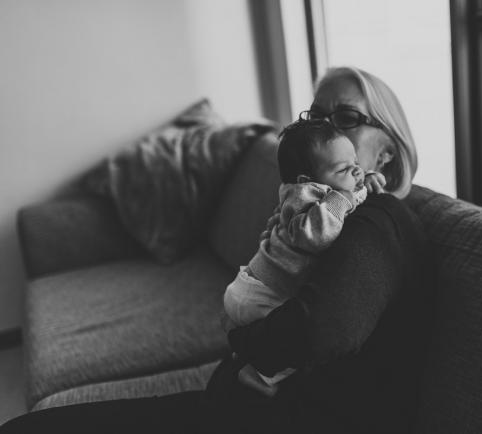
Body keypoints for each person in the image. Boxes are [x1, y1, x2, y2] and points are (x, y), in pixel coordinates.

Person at [0, 66, 430, 434]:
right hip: (232, 413)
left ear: (388, 153)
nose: (329, 130)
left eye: (347, 117)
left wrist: (241, 341)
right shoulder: (319, 206)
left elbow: (320, 331)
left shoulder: (380, 218)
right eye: (317, 116)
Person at [223, 118, 379, 393]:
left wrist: (365, 183)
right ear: (308, 180)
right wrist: (344, 197)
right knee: (304, 338)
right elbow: (316, 235)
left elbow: (351, 198)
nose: (356, 170)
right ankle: (262, 375)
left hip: (251, 287)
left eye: (355, 161)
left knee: (283, 331)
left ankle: (246, 351)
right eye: (344, 168)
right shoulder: (306, 196)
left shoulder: (322, 191)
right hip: (264, 293)